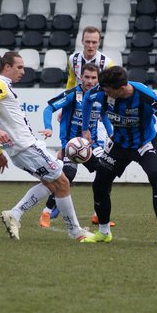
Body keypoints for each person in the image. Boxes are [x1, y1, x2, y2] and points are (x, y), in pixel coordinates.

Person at [0, 51, 95, 243]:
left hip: (18, 151)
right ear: (7, 67)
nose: (23, 72)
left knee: (51, 185)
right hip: (27, 147)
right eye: (19, 67)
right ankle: (76, 231)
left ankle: (15, 214)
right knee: (63, 182)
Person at [81, 66, 157, 246]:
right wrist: (85, 129)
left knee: (155, 176)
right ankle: (103, 232)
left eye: (108, 90)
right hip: (119, 144)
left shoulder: (145, 97)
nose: (104, 92)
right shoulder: (102, 90)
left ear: (121, 88)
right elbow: (87, 99)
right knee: (99, 183)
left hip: (145, 143)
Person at [38, 63, 115, 228]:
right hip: (72, 145)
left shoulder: (101, 95)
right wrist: (48, 128)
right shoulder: (73, 94)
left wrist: (112, 134)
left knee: (106, 173)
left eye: (94, 77)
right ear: (80, 77)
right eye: (86, 77)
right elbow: (48, 108)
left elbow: (105, 116)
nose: (90, 80)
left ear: (98, 79)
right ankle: (46, 212)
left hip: (91, 145)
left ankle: (99, 215)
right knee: (67, 176)